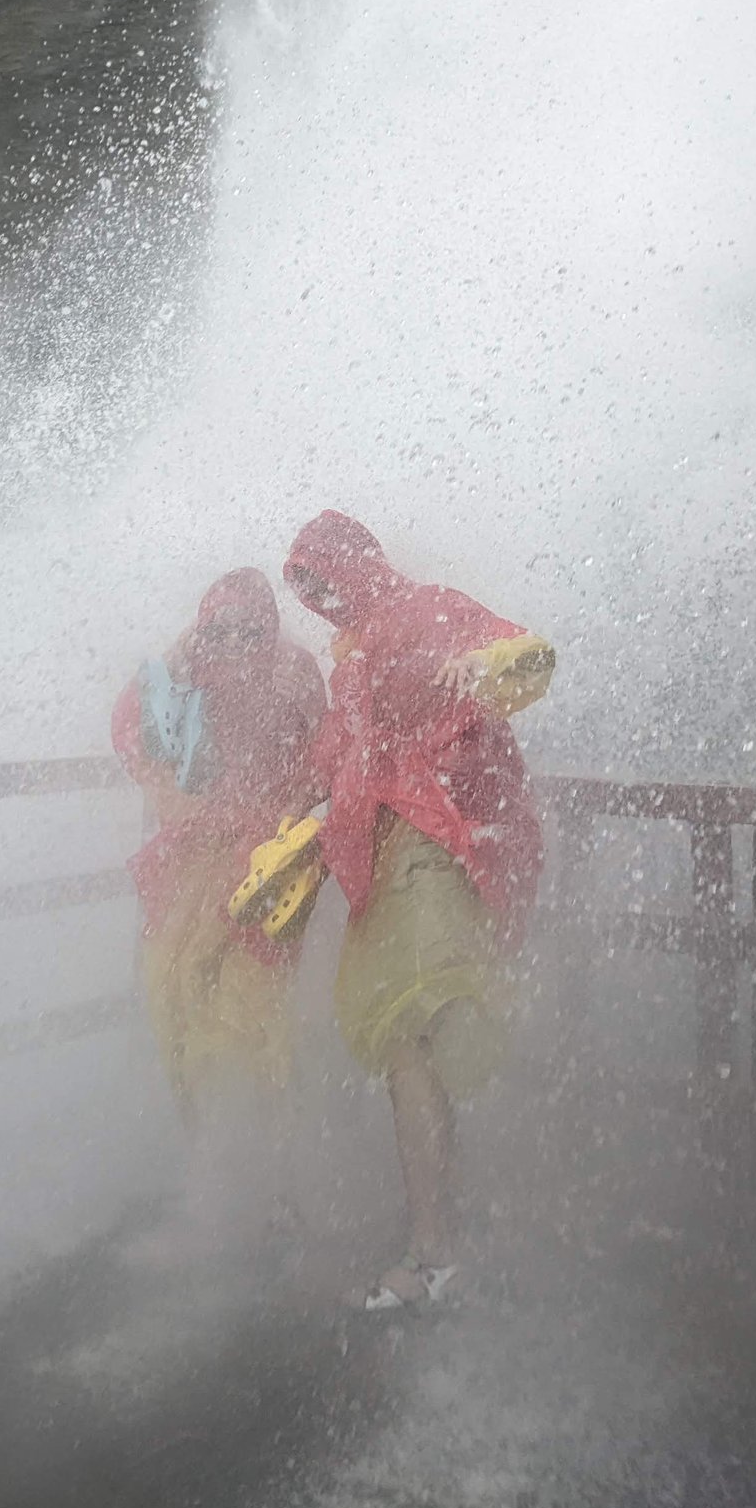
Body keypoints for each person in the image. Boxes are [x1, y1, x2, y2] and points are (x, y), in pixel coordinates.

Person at [278, 509, 555, 1310]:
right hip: (400, 859)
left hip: (433, 850)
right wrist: (284, 827)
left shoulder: (424, 609)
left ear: (358, 565)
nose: (325, 597)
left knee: (413, 1033)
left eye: (328, 578)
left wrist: (486, 671)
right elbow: (335, 759)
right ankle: (441, 1238)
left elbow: (515, 653)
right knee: (418, 1041)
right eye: (311, 587)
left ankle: (434, 1250)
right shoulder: (357, 656)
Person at [112, 568, 327, 1134]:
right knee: (174, 987)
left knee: (253, 997)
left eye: (249, 631)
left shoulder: (294, 672)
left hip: (263, 861)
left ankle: (272, 1148)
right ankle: (206, 1146)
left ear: (269, 628)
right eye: (219, 629)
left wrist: (283, 814)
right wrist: (179, 651)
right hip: (191, 856)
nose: (234, 643)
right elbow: (131, 725)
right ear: (202, 628)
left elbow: (326, 756)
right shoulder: (189, 671)